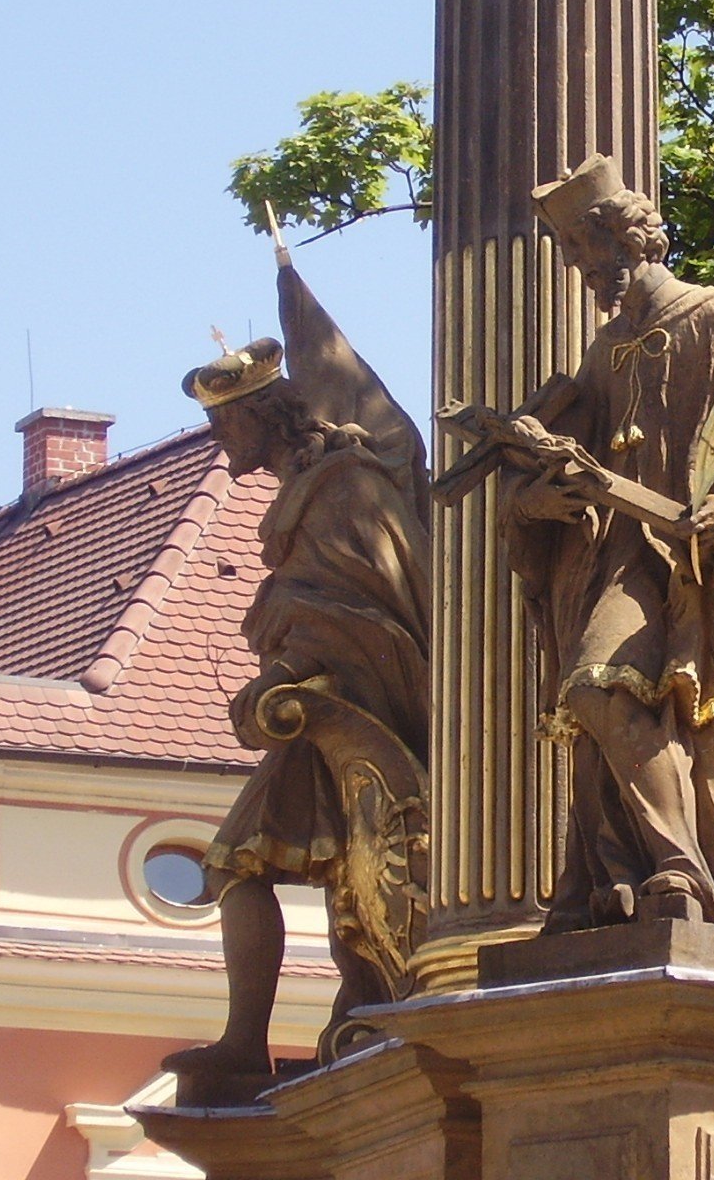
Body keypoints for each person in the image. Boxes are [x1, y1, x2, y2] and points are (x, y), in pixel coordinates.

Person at [505, 155, 714, 946]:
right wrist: (540, 492)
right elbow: (563, 475)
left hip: (686, 559)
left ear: (628, 238)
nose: (580, 270)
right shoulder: (603, 354)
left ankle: (681, 868)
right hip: (610, 553)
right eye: (571, 254)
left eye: (583, 249)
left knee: (599, 687)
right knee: (597, 692)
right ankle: (638, 871)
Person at [166, 333, 430, 1078]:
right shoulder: (314, 486)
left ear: (267, 414)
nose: (220, 445)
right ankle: (274, 1032)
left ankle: (268, 1036)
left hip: (360, 709)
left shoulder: (344, 484)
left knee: (250, 862)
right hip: (320, 712)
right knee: (298, 867)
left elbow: (364, 605)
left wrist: (283, 669)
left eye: (226, 426)